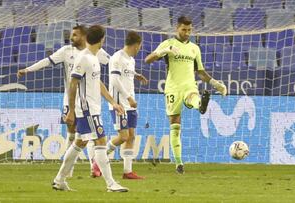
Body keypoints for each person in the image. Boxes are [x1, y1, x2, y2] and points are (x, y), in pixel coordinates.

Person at [17, 25, 109, 177]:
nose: (71, 38)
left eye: (75, 35)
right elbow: (46, 61)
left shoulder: (95, 51)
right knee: (74, 134)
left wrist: (133, 73)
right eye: (71, 35)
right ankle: (69, 171)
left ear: (84, 37)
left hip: (89, 102)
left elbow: (113, 62)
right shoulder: (66, 51)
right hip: (71, 101)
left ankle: (94, 166)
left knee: (91, 135)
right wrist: (28, 69)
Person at [144, 16, 227, 174]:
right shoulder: (168, 43)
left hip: (189, 84)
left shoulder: (194, 48)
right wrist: (164, 51)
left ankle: (200, 105)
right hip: (173, 88)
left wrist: (216, 84)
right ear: (177, 28)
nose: (187, 33)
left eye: (189, 30)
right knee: (175, 124)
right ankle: (179, 163)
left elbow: (200, 72)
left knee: (193, 97)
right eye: (184, 29)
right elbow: (148, 59)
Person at [52, 25, 128, 192]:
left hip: (93, 108)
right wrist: (71, 110)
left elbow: (97, 83)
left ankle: (59, 180)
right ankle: (111, 184)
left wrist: (113, 102)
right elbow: (73, 84)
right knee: (100, 141)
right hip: (87, 110)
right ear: (101, 39)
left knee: (80, 142)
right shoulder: (83, 58)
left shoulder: (93, 57)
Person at [101, 31, 148, 179]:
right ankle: (99, 158)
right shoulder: (117, 57)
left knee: (131, 136)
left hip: (130, 104)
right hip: (120, 104)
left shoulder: (130, 60)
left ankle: (128, 171)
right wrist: (128, 98)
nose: (139, 49)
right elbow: (114, 80)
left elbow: (126, 73)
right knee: (123, 136)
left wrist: (136, 75)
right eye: (139, 46)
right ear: (136, 45)